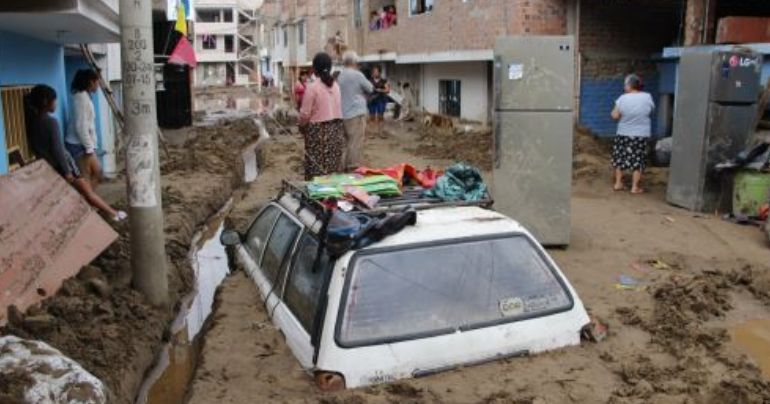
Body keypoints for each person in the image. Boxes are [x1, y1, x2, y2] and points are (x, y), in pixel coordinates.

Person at [24, 85, 126, 222]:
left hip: (48, 167)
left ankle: (107, 213)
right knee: (88, 192)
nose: (56, 103)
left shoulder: (33, 122)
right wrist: (67, 171)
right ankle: (113, 213)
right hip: (63, 166)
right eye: (55, 100)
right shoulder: (51, 122)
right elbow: (58, 149)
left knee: (83, 192)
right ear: (45, 102)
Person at [299, 52, 345, 180]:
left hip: (318, 132)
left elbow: (305, 114)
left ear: (314, 69)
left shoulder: (312, 88)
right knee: (333, 164)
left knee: (317, 168)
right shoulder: (336, 86)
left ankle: (318, 195)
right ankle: (332, 192)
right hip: (335, 129)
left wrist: (301, 126)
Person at [611, 74, 655, 194]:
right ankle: (634, 187)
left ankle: (618, 183)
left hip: (623, 133)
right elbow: (650, 112)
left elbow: (615, 116)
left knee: (620, 158)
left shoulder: (622, 98)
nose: (624, 86)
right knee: (638, 159)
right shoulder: (647, 97)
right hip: (640, 135)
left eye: (625, 84)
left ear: (629, 85)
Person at [65, 69, 102, 187]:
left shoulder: (85, 96)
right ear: (91, 82)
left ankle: (89, 202)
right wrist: (89, 148)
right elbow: (80, 126)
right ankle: (86, 203)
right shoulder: (81, 98)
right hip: (78, 144)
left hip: (83, 144)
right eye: (97, 82)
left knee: (95, 172)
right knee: (88, 175)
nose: (98, 85)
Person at [338, 51, 374, 170]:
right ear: (354, 62)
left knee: (346, 143)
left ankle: (342, 167)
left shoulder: (340, 75)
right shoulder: (357, 75)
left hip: (343, 113)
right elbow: (370, 88)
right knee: (355, 142)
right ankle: (352, 168)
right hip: (356, 114)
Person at [368, 66, 390, 135]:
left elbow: (388, 90)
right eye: (374, 72)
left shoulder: (384, 81)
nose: (375, 73)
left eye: (377, 72)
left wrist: (380, 90)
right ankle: (372, 133)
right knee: (372, 117)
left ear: (380, 73)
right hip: (372, 101)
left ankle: (381, 132)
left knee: (381, 117)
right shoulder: (369, 81)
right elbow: (366, 90)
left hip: (381, 100)